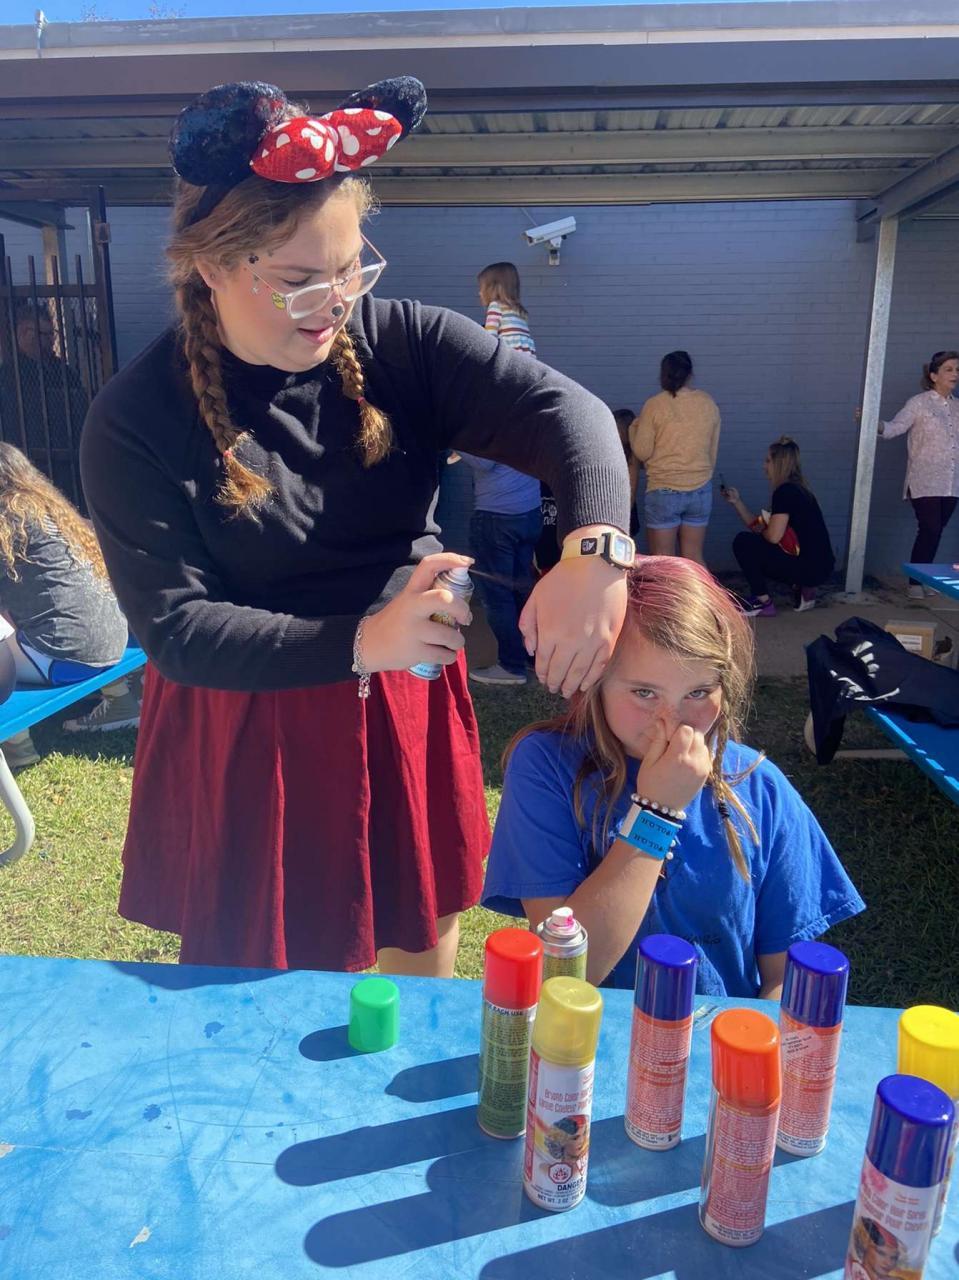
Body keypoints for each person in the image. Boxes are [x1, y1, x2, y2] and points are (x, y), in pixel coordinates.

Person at [79, 78, 633, 977]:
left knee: (416, 952)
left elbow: (568, 415)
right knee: (260, 988)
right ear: (210, 266)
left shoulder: (402, 343)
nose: (334, 303)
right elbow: (178, 631)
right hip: (250, 719)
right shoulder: (136, 417)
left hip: (403, 697)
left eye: (348, 270)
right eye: (298, 282)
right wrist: (366, 640)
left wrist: (595, 550)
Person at [481, 556, 864, 996]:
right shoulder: (546, 766)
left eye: (698, 692)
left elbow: (783, 977)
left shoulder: (759, 787)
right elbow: (564, 974)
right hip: (591, 1033)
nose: (672, 721)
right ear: (595, 681)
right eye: (644, 692)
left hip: (721, 1036)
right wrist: (656, 814)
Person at [0, 444, 136, 769]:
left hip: (68, 658)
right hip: (114, 642)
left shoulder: (8, 522)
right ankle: (121, 701)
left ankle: (18, 748)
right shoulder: (50, 510)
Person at [453, 263, 543, 686]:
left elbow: (486, 460)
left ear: (490, 288)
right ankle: (533, 657)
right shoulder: (528, 408)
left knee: (498, 594)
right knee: (522, 587)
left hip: (498, 517)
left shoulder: (496, 407)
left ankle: (510, 666)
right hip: (528, 512)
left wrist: (455, 442)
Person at [878, 350, 959, 599]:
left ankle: (924, 578)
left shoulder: (957, 406)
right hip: (924, 479)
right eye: (948, 369)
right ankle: (915, 582)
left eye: (957, 370)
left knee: (935, 531)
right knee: (930, 528)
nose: (955, 374)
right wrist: (874, 424)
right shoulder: (919, 403)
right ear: (934, 375)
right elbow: (895, 428)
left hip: (952, 482)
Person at [723, 436, 835, 617]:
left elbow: (773, 536)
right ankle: (804, 589)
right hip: (821, 567)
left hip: (809, 567)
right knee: (754, 542)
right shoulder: (801, 490)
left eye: (768, 461)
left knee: (743, 542)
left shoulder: (784, 492)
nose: (764, 466)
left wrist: (764, 533)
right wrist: (736, 502)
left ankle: (763, 602)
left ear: (779, 464)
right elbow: (760, 527)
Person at [629, 351, 720, 566]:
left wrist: (633, 429)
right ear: (690, 373)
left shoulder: (654, 405)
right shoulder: (708, 403)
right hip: (700, 488)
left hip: (664, 490)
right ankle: (701, 590)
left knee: (664, 562)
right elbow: (712, 453)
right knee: (694, 558)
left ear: (664, 374)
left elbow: (642, 452)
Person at [612, 407, 640, 539]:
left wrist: (623, 516)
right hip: (613, 507)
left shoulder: (631, 456)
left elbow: (631, 489)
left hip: (622, 511)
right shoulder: (611, 449)